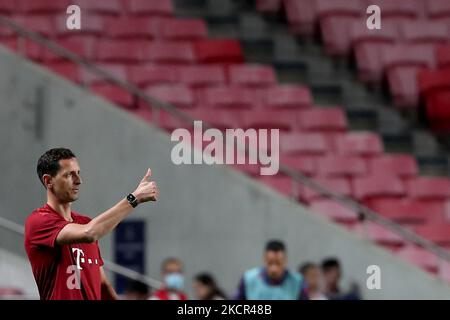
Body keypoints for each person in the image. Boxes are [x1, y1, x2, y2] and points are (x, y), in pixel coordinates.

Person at [24, 148, 159, 300]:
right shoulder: (38, 221)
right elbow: (89, 233)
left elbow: (102, 285)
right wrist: (134, 198)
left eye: (78, 173)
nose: (78, 180)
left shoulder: (85, 222)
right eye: (69, 174)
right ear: (48, 181)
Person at [233, 239, 305, 300]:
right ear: (264, 259)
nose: (274, 268)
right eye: (270, 263)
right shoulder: (248, 279)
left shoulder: (297, 282)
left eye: (278, 263)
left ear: (285, 260)